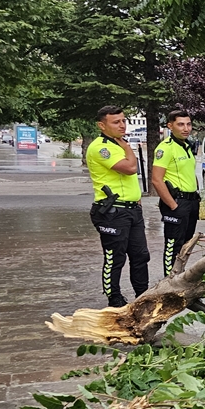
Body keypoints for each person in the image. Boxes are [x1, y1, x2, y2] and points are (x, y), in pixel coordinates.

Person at [86, 106, 150, 308]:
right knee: (115, 257)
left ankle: (143, 295)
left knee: (140, 255)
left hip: (132, 210)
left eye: (123, 121)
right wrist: (127, 147)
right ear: (101, 125)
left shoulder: (118, 144)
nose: (122, 125)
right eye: (116, 122)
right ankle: (114, 298)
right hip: (113, 212)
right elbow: (131, 168)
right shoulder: (101, 147)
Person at [151, 110, 201, 277]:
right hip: (177, 202)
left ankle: (181, 279)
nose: (186, 128)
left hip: (191, 202)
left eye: (188, 124)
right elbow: (156, 180)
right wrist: (173, 205)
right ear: (170, 125)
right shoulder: (165, 148)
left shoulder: (186, 145)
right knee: (173, 245)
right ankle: (170, 283)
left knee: (186, 245)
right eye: (181, 124)